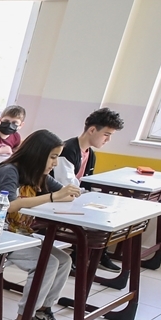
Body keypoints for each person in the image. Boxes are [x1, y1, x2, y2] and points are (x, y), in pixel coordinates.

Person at [0, 130, 81, 320]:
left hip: (15, 234)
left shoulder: (38, 175)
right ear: (38, 154)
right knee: (48, 264)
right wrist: (53, 196)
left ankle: (42, 312)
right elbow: (10, 205)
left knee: (64, 260)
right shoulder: (9, 171)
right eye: (53, 157)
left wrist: (67, 192)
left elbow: (64, 194)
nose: (55, 163)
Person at [60, 108, 125, 271]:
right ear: (92, 130)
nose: (108, 140)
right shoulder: (67, 150)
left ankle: (97, 255)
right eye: (106, 134)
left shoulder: (90, 154)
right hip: (61, 200)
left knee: (108, 211)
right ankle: (82, 257)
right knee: (97, 216)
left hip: (76, 198)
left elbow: (86, 185)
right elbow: (65, 186)